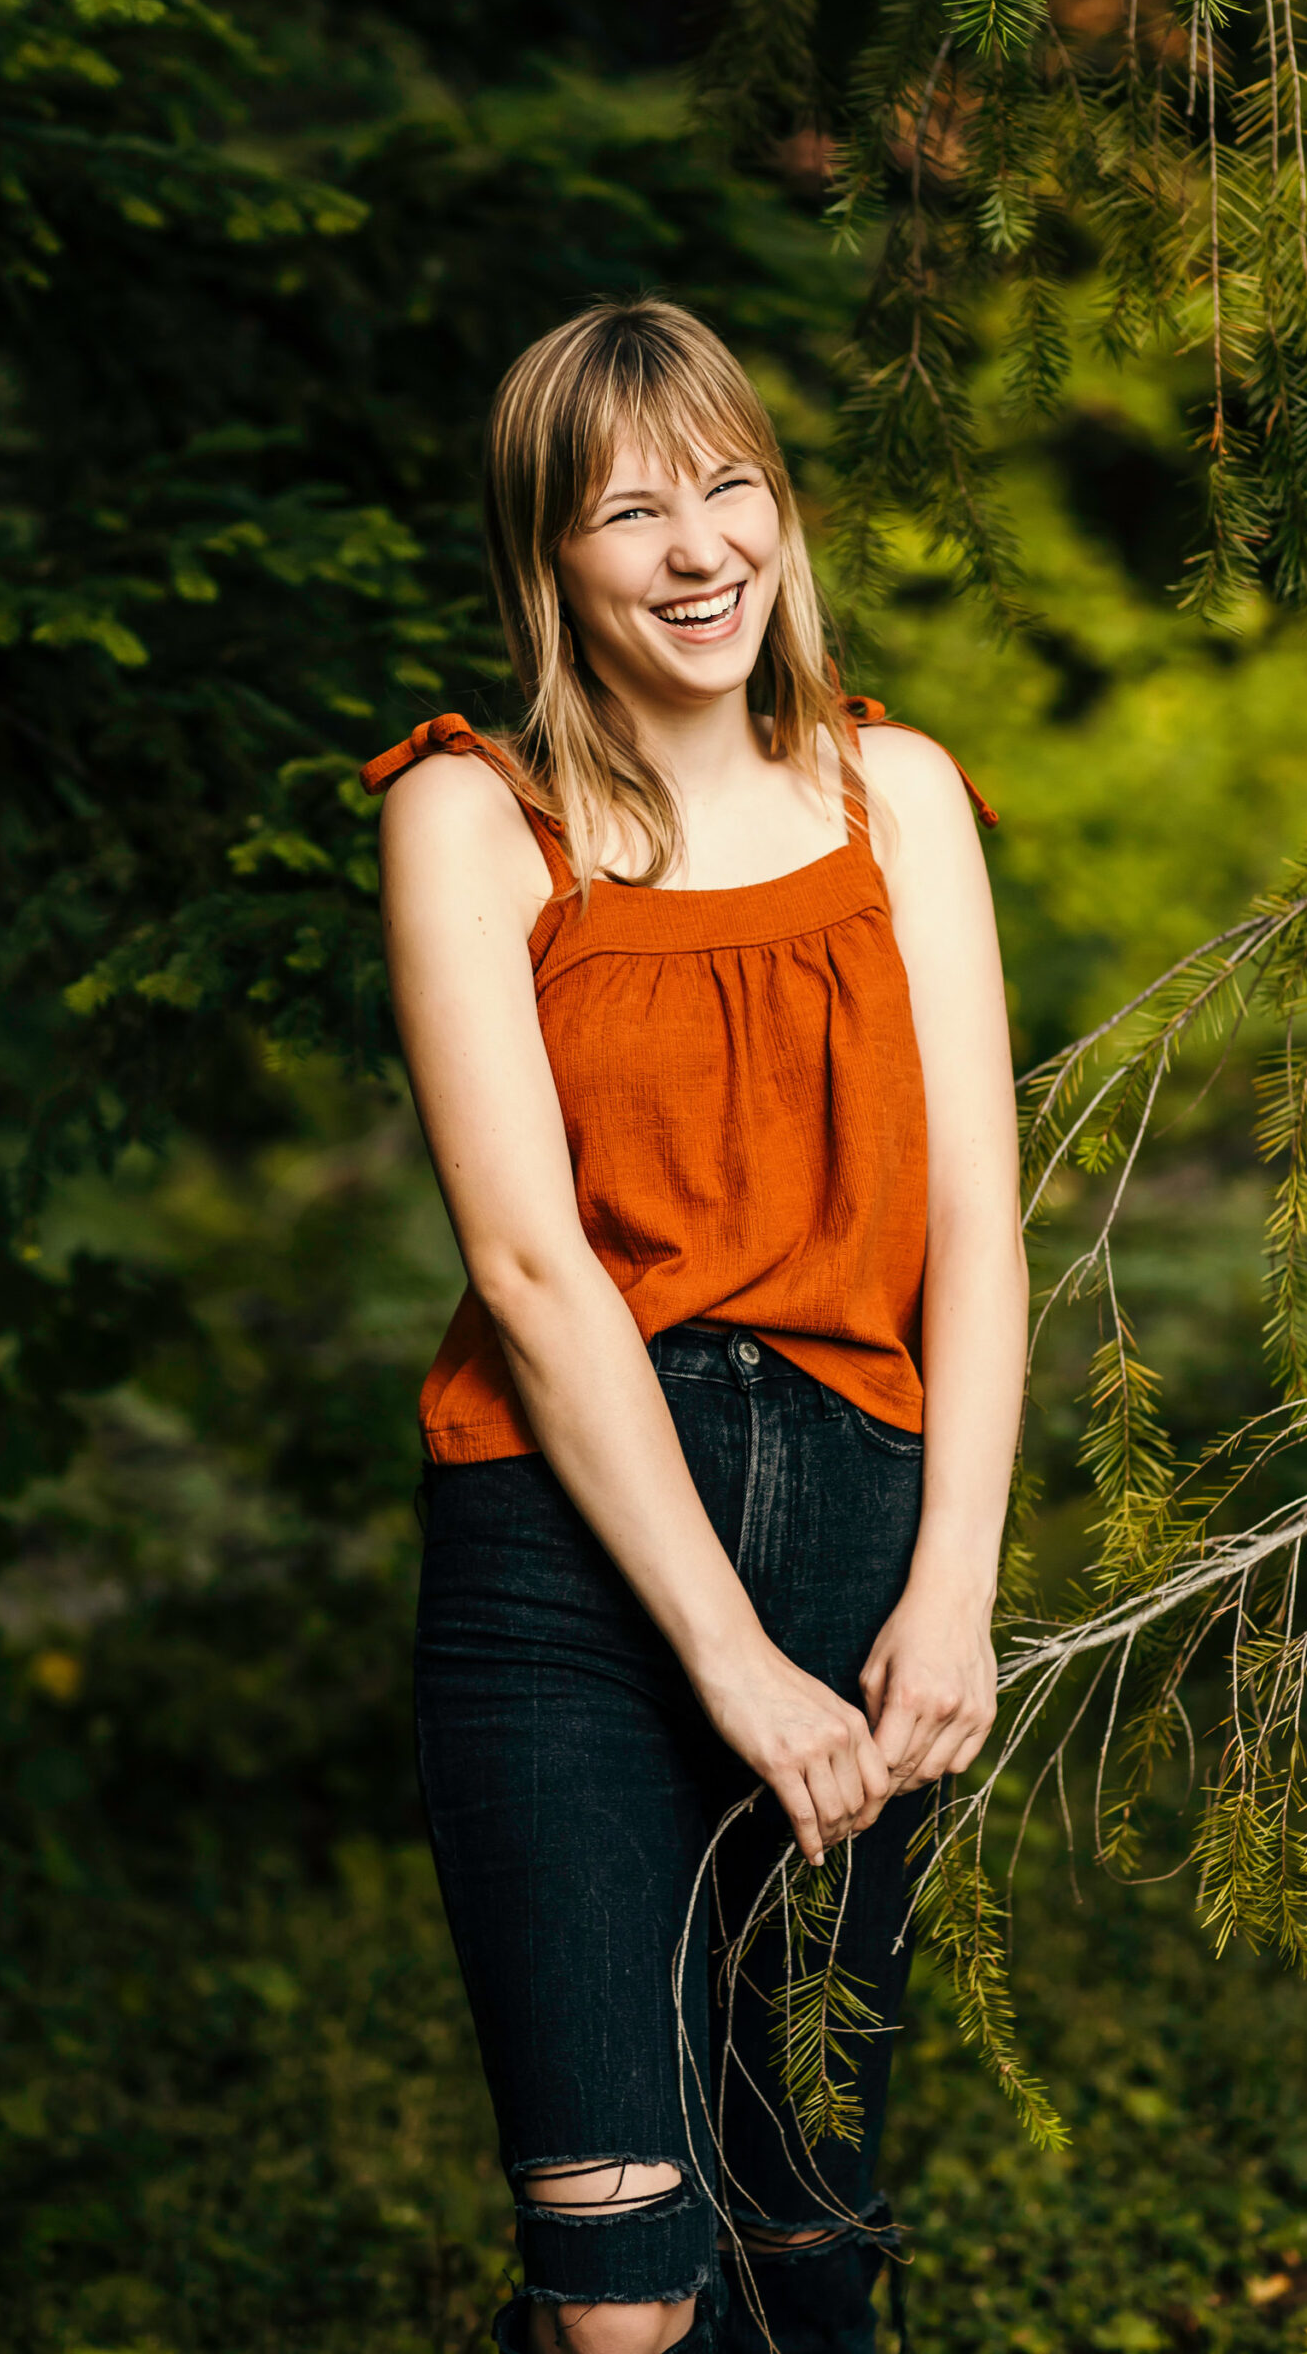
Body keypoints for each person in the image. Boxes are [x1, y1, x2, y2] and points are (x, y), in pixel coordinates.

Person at [366, 297, 1027, 2354]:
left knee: (806, 2232)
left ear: (780, 511)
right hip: (564, 1566)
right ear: (545, 556)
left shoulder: (893, 792)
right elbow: (532, 1268)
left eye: (727, 487)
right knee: (621, 2285)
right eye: (625, 510)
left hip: (861, 1527)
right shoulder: (471, 815)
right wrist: (729, 1661)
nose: (694, 548)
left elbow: (977, 1237)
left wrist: (953, 1593)